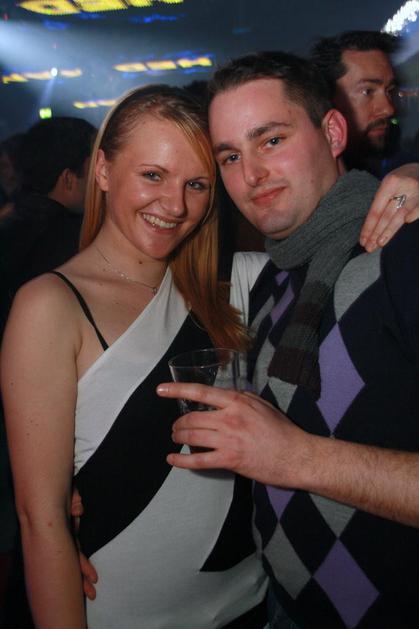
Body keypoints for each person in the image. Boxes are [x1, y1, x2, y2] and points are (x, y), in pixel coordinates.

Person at [157, 52, 419, 628]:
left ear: (333, 132)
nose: (251, 175)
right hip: (286, 605)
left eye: (271, 140)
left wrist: (297, 457)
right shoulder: (273, 279)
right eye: (231, 156)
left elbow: (288, 454)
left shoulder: (402, 254)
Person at [1, 84, 270, 628]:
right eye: (153, 175)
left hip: (255, 604)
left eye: (197, 184)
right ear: (102, 170)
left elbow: (349, 246)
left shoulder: (237, 288)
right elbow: (42, 520)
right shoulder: (51, 306)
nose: (175, 205)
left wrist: (405, 185)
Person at [310, 30, 419, 251]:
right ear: (327, 99)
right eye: (367, 91)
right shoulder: (304, 193)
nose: (388, 109)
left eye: (389, 91)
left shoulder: (398, 164)